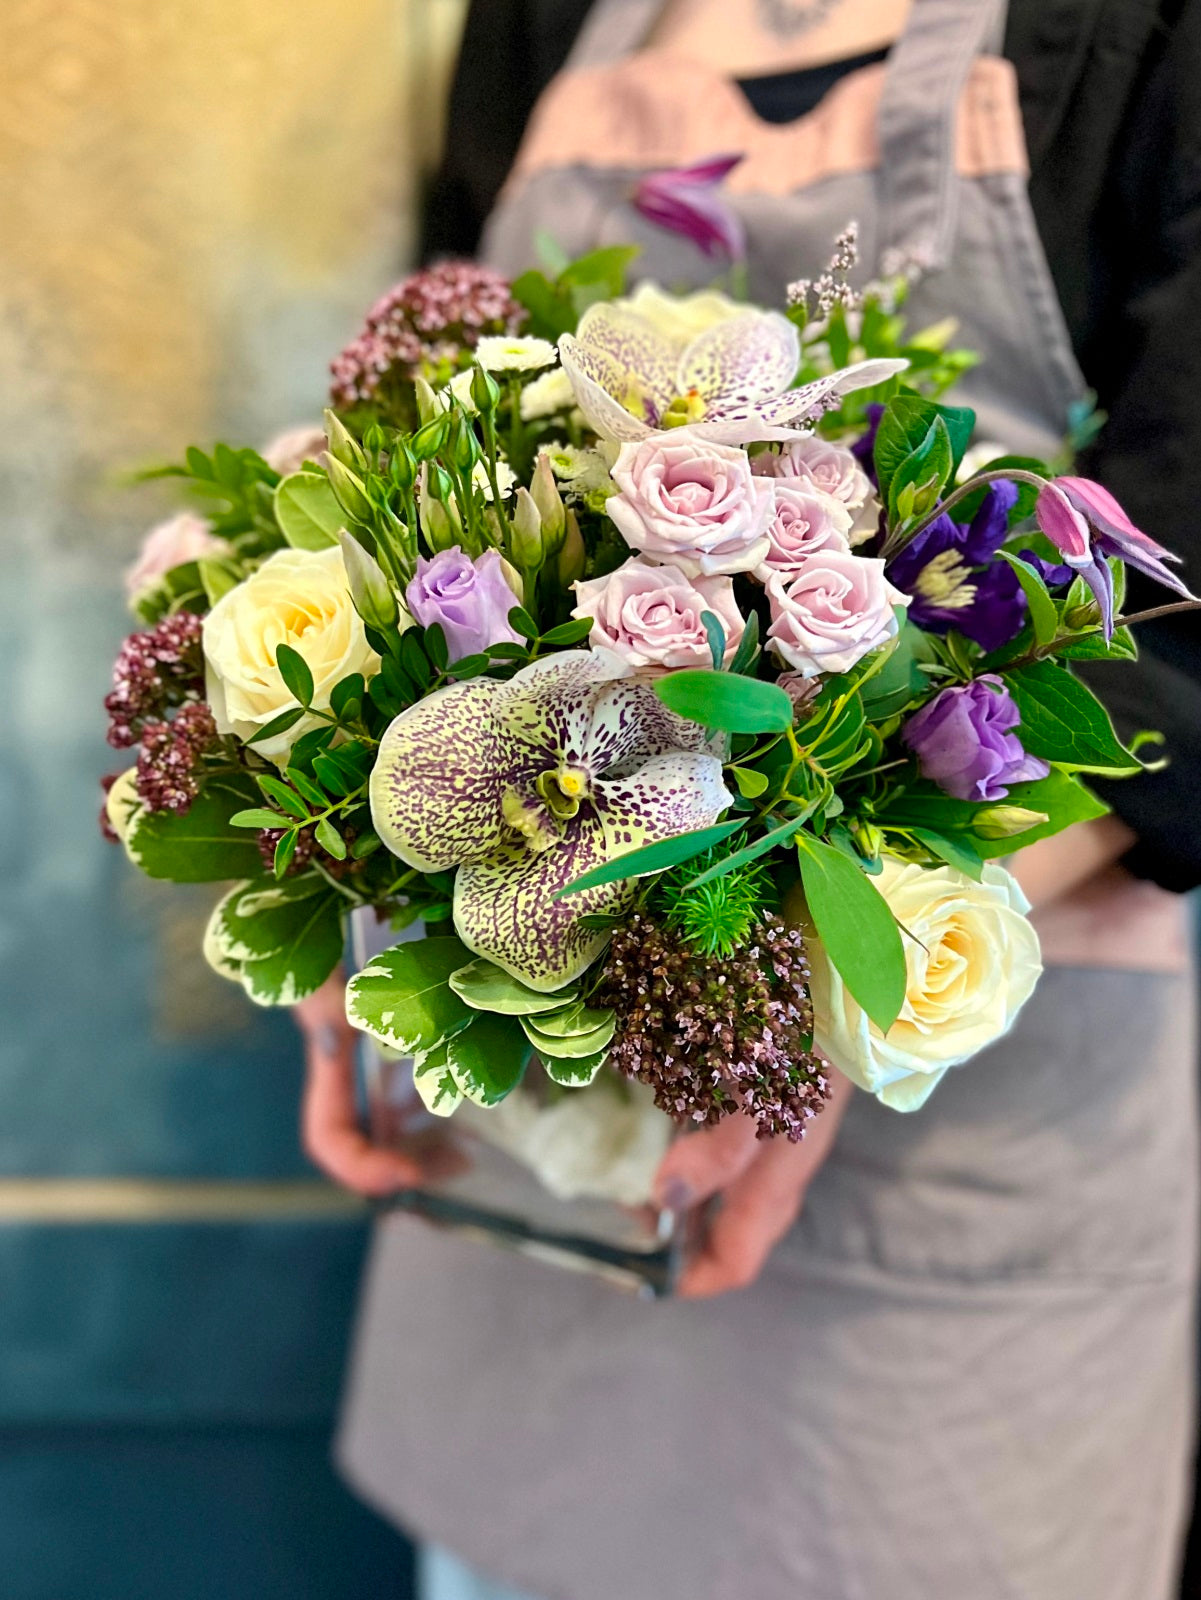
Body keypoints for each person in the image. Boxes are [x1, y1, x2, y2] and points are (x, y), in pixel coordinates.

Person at [297, 2, 1201, 1596]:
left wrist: (807, 974)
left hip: (944, 1160)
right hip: (520, 1135)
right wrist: (342, 917)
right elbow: (432, 432)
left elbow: (1184, 643)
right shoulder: (542, 15)